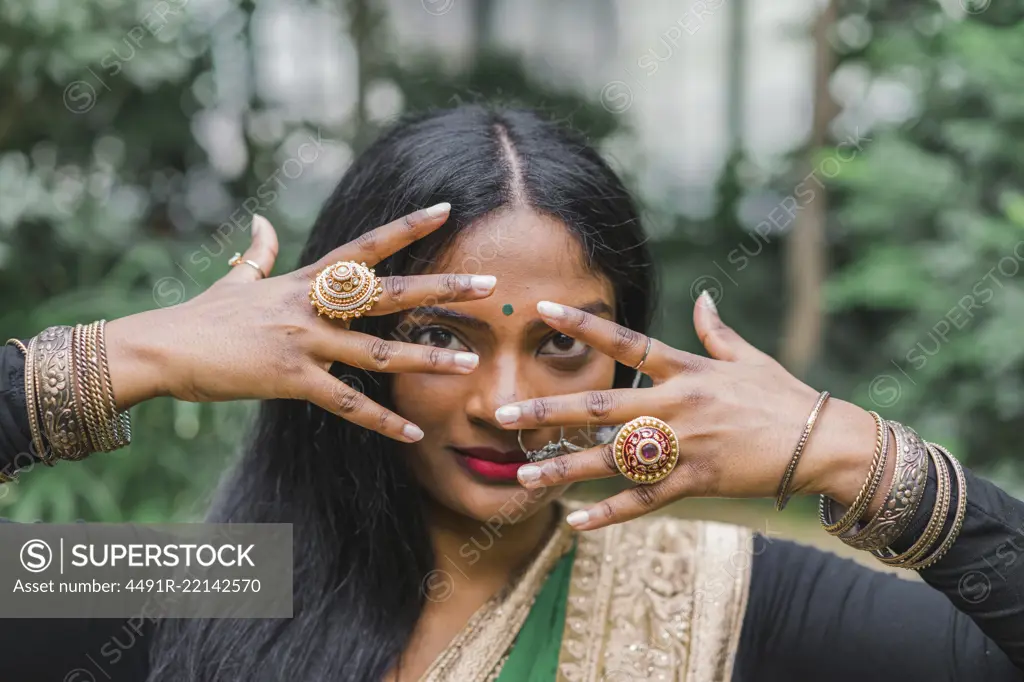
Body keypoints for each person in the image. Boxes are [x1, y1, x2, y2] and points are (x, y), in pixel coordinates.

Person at [1, 106, 1022, 682]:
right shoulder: (196, 584)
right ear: (343, 342)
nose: (501, 402)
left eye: (561, 347)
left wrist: (855, 457)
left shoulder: (726, 599)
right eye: (437, 335)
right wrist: (114, 362)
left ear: (624, 362)